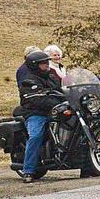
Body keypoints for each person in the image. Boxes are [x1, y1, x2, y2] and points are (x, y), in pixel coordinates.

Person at [16, 49, 62, 184]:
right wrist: (56, 102)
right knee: (36, 135)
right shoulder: (28, 81)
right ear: (35, 65)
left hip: (54, 111)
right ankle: (28, 171)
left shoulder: (51, 77)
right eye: (43, 64)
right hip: (36, 113)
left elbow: (62, 90)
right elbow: (37, 100)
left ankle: (87, 167)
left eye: (47, 63)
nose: (46, 65)